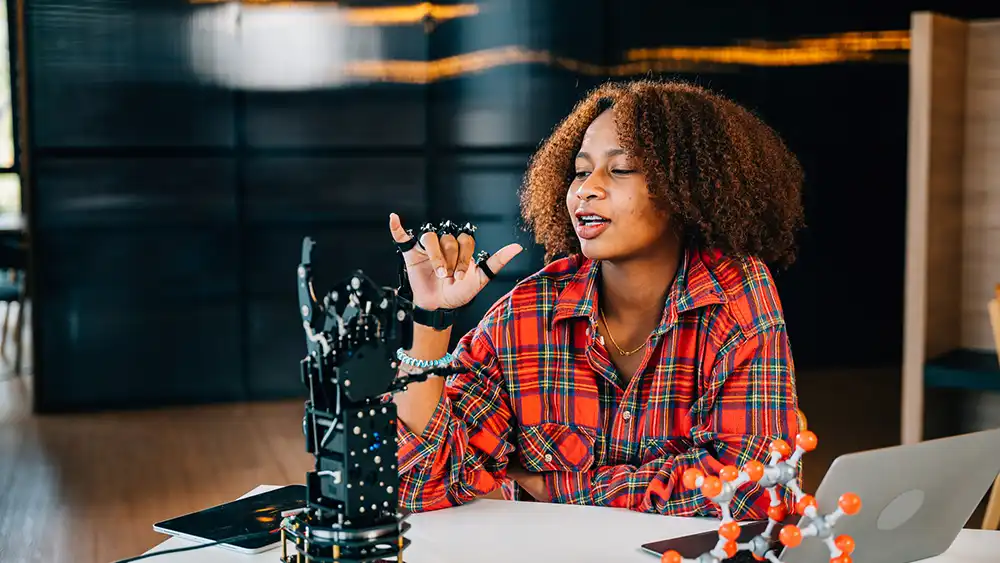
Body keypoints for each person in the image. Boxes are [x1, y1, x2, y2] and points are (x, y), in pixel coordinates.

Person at [387, 78, 805, 520]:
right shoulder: (527, 314)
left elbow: (753, 488)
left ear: (689, 189)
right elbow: (417, 487)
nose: (586, 188)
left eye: (620, 169)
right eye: (582, 171)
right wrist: (430, 318)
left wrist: (555, 489)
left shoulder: (735, 299)